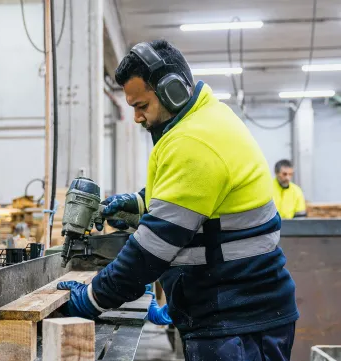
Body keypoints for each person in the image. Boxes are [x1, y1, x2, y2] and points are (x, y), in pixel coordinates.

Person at [57, 40, 298, 360]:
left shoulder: (193, 142)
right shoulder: (205, 118)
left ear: (173, 91)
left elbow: (150, 252)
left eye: (141, 106)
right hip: (237, 310)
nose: (137, 118)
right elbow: (200, 201)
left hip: (238, 321)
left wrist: (90, 299)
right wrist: (140, 205)